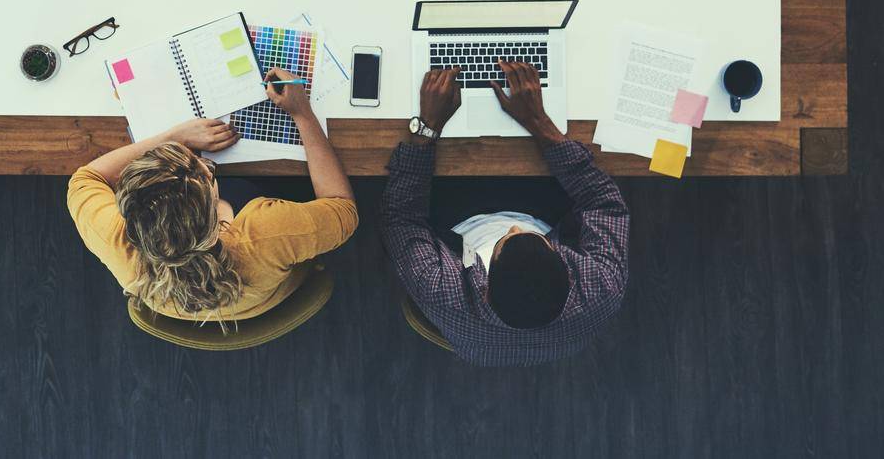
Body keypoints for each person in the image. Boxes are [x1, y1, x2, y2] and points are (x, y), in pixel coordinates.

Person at [381, 62, 630, 366]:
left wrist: (428, 128)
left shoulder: (443, 292)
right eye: (530, 238)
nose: (513, 227)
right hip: (546, 209)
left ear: (484, 288)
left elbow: (402, 217)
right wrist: (539, 122)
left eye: (506, 241)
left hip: (458, 217)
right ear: (567, 269)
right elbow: (603, 203)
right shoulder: (602, 287)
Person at [67, 71, 357, 323]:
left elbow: (85, 178)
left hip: (178, 309)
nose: (205, 163)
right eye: (204, 172)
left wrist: (176, 136)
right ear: (211, 213)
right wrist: (303, 113)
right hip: (263, 300)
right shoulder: (266, 234)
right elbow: (343, 210)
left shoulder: (113, 238)